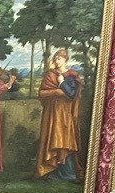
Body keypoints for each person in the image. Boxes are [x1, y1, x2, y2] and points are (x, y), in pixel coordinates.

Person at [35, 48, 82, 181]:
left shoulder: (71, 75)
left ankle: (68, 174)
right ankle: (50, 171)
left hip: (64, 113)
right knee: (51, 138)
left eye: (59, 58)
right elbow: (42, 93)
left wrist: (61, 82)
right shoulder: (50, 75)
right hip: (51, 113)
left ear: (66, 60)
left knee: (64, 139)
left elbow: (71, 94)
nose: (57, 60)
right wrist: (56, 92)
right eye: (55, 58)